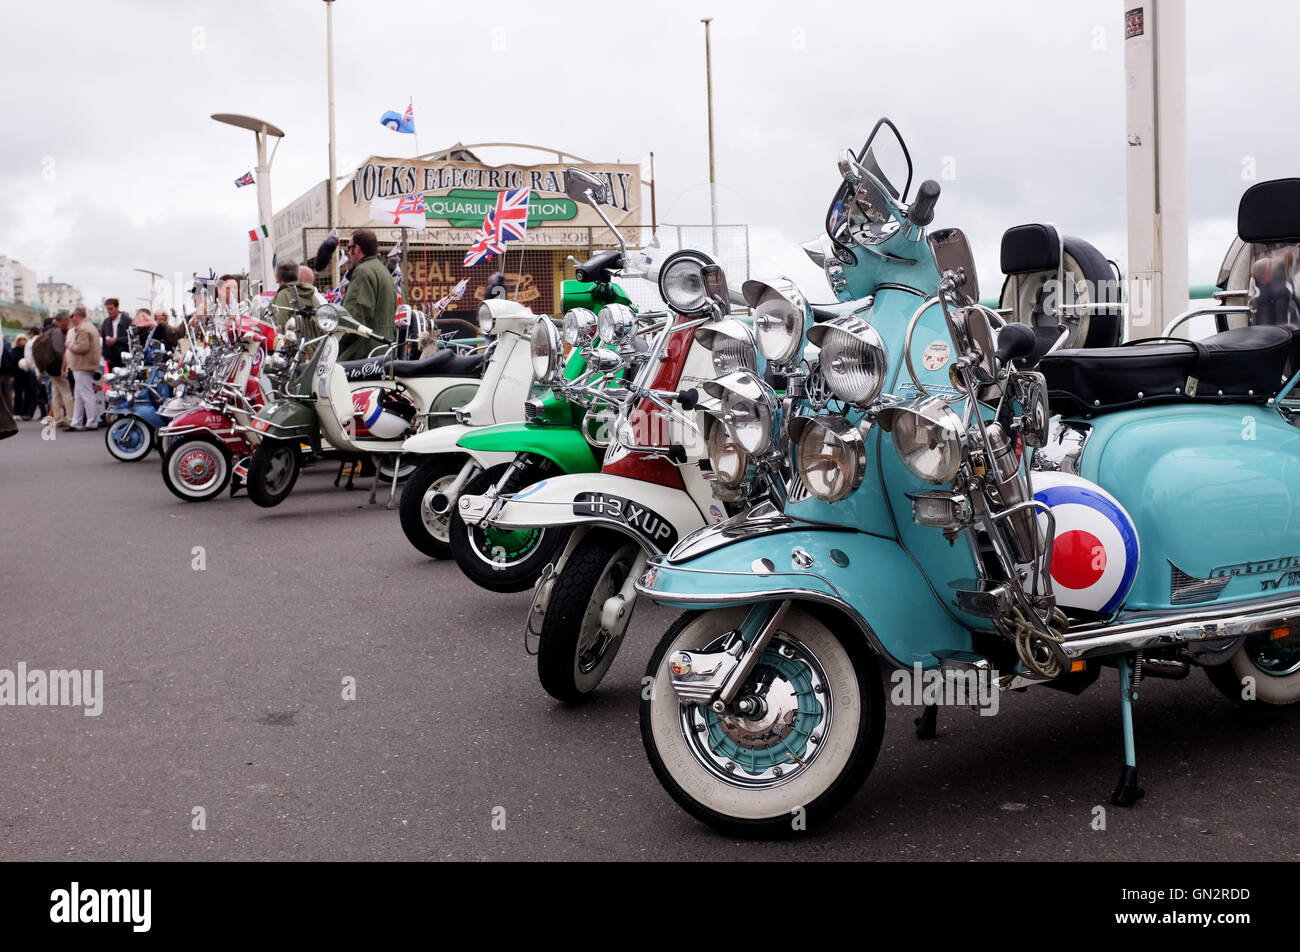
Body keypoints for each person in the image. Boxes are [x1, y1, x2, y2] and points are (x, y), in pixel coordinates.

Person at [339, 229, 397, 361]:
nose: (348, 252)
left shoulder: (363, 271)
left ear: (357, 248)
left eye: (349, 247)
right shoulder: (382, 270)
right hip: (383, 349)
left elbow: (354, 318)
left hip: (364, 353)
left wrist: (337, 343)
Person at [64, 306, 102, 431]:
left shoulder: (83, 328)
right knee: (80, 394)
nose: (72, 319)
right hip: (87, 364)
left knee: (85, 394)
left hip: (82, 364)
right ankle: (77, 422)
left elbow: (82, 347)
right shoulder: (90, 327)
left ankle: (91, 422)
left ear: (76, 316)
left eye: (72, 316)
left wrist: (70, 345)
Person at [44, 312, 73, 428]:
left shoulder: (49, 331)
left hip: (50, 366)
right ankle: (71, 418)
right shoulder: (57, 332)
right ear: (64, 320)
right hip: (57, 366)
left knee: (55, 392)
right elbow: (60, 350)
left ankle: (58, 418)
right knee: (67, 392)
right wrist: (64, 364)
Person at [100, 298, 132, 369]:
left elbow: (131, 338)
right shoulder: (106, 322)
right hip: (110, 360)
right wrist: (105, 355)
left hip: (123, 359)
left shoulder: (127, 321)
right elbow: (103, 339)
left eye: (111, 309)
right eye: (107, 309)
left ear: (117, 307)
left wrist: (116, 340)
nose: (109, 311)